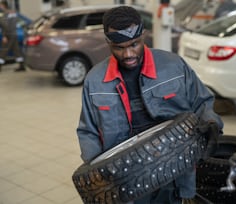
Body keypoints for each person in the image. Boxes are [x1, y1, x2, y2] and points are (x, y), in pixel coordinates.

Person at [76, 5, 223, 204]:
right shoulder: (94, 81)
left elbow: (203, 102)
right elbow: (88, 132)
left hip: (175, 169)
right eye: (119, 47)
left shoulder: (174, 66)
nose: (128, 54)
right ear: (108, 42)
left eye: (134, 44)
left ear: (143, 35)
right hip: (126, 177)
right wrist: (100, 175)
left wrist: (211, 122)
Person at [0, 0, 25, 72]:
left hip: (8, 34)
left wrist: (4, 36)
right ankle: (22, 65)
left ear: (3, 5)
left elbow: (5, 25)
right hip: (14, 33)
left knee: (3, 51)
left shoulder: (5, 14)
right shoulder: (13, 12)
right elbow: (18, 22)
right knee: (16, 50)